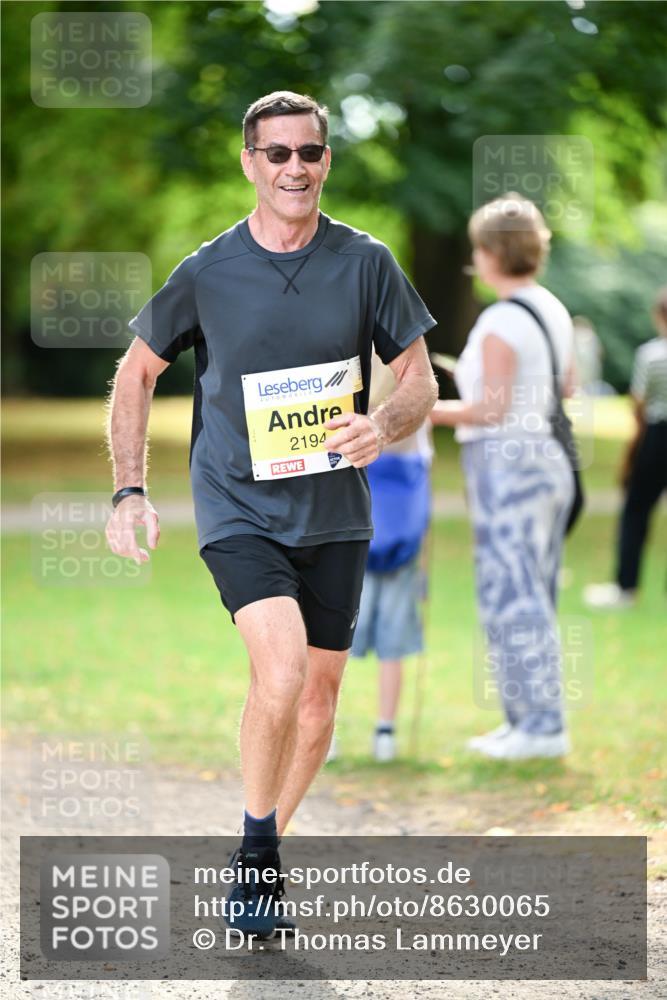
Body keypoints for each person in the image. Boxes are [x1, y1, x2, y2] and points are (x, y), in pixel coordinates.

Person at [105, 91, 437, 936]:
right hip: (237, 504)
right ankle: (257, 851)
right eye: (278, 154)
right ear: (250, 163)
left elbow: (420, 380)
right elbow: (136, 372)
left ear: (326, 160)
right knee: (282, 673)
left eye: (310, 153)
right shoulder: (208, 270)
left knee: (321, 701)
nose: (296, 167)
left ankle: (260, 856)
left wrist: (382, 422)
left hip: (336, 510)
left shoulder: (365, 262)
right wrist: (130, 489)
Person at [431, 193, 576, 761]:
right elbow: (564, 388)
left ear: (491, 252)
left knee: (512, 597)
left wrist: (416, 411)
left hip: (508, 466)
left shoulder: (498, 319)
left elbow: (489, 409)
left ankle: (540, 727)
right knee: (531, 592)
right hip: (547, 459)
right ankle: (525, 721)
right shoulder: (551, 309)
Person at [347, 354, 432, 763]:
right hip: (401, 537)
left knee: (331, 638)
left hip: (351, 535)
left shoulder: (346, 409)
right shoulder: (412, 402)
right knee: (394, 639)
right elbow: (424, 471)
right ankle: (385, 731)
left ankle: (324, 729)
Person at [584, 287, 667, 609]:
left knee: (636, 512)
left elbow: (639, 404)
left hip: (658, 436)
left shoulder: (652, 354)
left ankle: (626, 588)